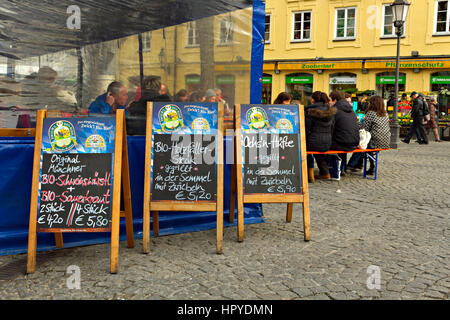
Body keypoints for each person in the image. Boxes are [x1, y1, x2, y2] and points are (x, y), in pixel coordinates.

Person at [347, 96, 391, 175]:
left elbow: (365, 129)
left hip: (375, 141)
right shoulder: (385, 113)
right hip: (386, 141)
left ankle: (352, 165)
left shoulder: (371, 113)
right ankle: (359, 165)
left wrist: (357, 122)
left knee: (361, 145)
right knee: (365, 144)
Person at [305, 91, 337, 181]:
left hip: (312, 142)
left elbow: (306, 129)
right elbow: (332, 128)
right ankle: (325, 172)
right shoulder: (330, 112)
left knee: (305, 149)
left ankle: (309, 174)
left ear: (312, 100)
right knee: (319, 152)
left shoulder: (309, 112)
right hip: (327, 143)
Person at [328, 90, 360, 180]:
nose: (329, 102)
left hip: (341, 144)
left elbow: (330, 129)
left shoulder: (334, 110)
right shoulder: (351, 111)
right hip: (353, 143)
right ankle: (341, 169)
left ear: (335, 100)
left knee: (322, 144)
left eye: (330, 100)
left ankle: (329, 170)